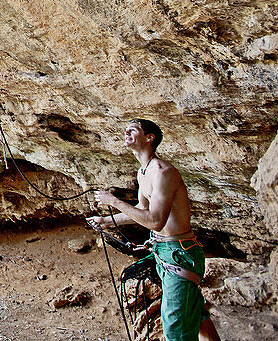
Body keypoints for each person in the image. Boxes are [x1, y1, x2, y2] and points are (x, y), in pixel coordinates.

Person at [87, 119, 221, 341]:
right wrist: (107, 221)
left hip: (180, 253)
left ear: (150, 138)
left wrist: (114, 202)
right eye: (126, 128)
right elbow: (142, 209)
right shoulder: (143, 171)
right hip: (166, 251)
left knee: (176, 329)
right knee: (195, 315)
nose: (126, 131)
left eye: (133, 130)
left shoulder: (162, 172)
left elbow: (156, 221)